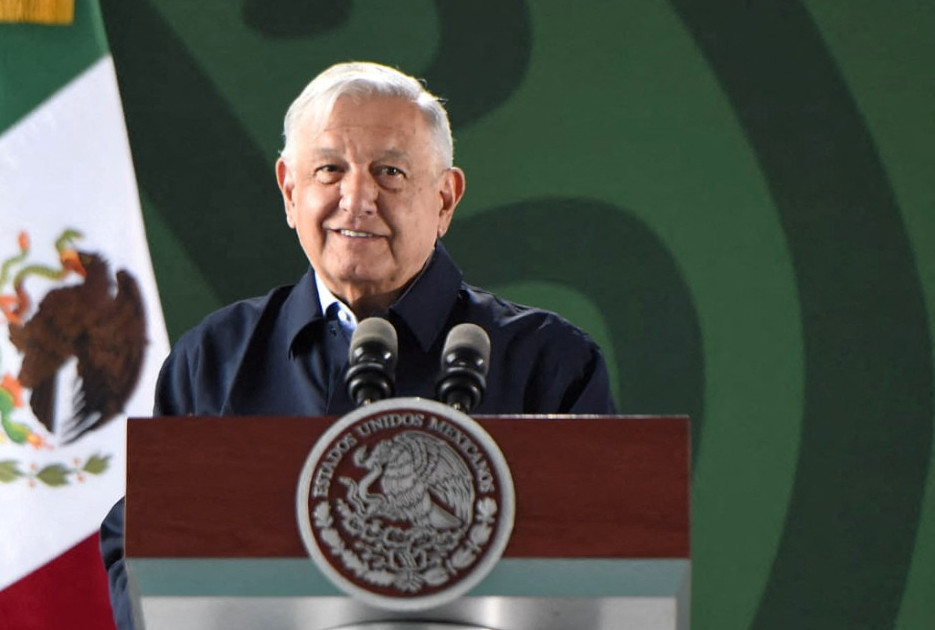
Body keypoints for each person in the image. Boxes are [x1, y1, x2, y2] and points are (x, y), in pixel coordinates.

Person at [99, 61, 615, 629]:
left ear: (445, 198)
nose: (357, 198)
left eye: (390, 171)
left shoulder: (549, 363)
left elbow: (600, 573)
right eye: (329, 170)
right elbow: (144, 541)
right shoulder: (214, 360)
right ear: (290, 190)